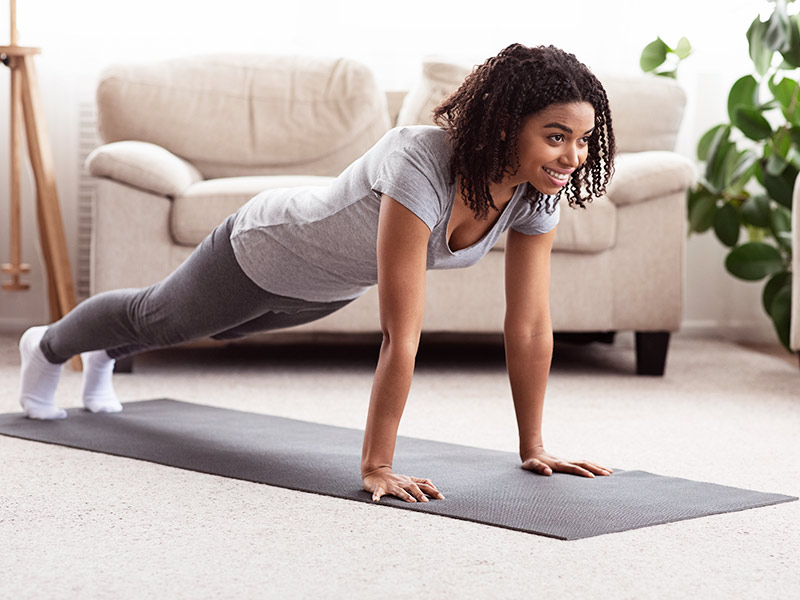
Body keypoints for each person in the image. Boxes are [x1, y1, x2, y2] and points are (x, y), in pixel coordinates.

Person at [18, 43, 616, 503]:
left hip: (328, 287)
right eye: (557, 137)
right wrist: (376, 466)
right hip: (262, 250)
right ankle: (46, 347)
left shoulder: (538, 192)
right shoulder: (422, 161)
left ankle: (103, 352)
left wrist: (533, 447)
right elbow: (401, 334)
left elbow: (532, 325)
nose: (573, 158)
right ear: (508, 123)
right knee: (160, 318)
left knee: (221, 332)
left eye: (583, 141)